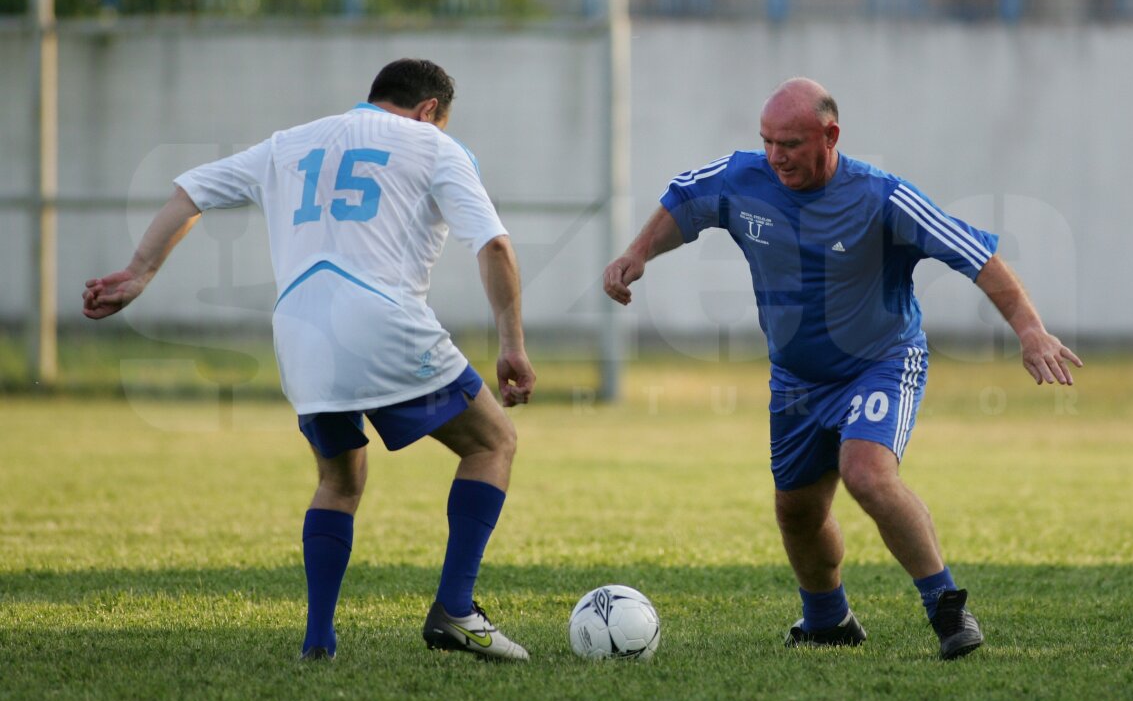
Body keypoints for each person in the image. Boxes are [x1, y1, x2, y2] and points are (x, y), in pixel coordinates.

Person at [603, 77, 1081, 660]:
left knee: (866, 474)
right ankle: (828, 621)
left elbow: (976, 256)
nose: (776, 157)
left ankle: (947, 609)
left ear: (830, 135)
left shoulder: (882, 197)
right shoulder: (743, 177)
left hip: (880, 364)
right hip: (797, 381)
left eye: (791, 144)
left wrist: (1030, 331)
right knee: (797, 510)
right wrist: (635, 254)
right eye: (768, 142)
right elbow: (684, 202)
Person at [83, 58, 536, 662]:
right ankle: (455, 610)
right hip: (382, 323)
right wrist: (512, 345)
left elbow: (189, 192)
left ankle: (318, 642)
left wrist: (138, 275)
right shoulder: (434, 145)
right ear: (430, 110)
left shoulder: (287, 144)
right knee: (492, 443)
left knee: (339, 479)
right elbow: (495, 245)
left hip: (298, 333)